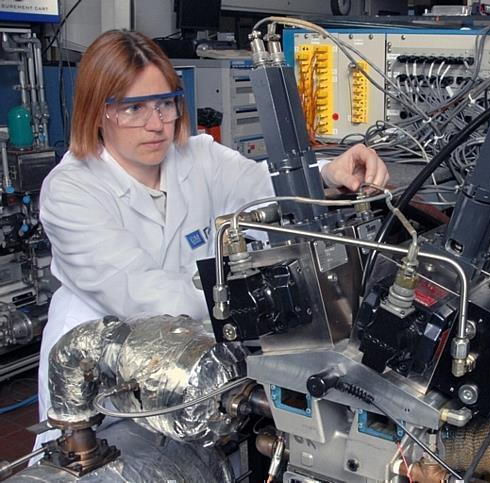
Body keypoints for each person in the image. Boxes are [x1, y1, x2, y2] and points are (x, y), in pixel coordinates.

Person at [36, 30, 389, 440]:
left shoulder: (197, 155)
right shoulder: (71, 191)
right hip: (104, 374)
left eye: (164, 103)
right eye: (133, 109)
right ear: (98, 113)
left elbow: (264, 185)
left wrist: (331, 172)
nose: (156, 124)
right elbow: (144, 297)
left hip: (194, 356)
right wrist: (254, 305)